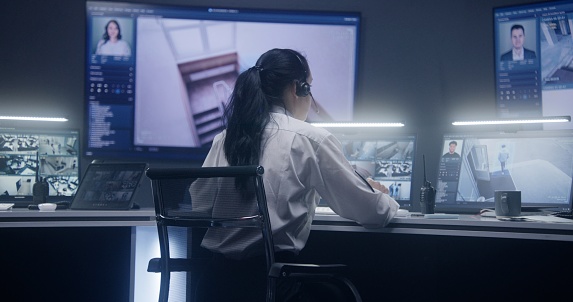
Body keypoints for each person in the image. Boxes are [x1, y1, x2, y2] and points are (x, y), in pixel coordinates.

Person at [192, 48, 399, 301]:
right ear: (296, 89)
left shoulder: (225, 138)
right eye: (309, 88)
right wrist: (382, 197)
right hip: (271, 287)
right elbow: (371, 213)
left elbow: (200, 205)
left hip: (213, 286)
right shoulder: (310, 138)